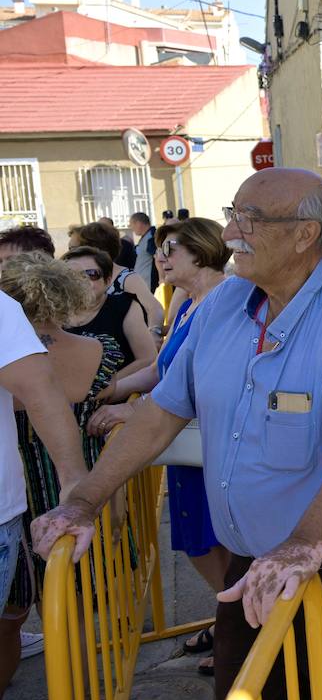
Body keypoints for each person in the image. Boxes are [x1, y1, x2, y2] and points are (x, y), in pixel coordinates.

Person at [33, 168, 322, 700]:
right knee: (253, 698)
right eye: (233, 211)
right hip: (254, 559)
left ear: (305, 234)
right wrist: (84, 499)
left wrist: (303, 545)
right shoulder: (226, 303)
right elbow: (163, 411)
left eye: (249, 218)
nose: (231, 230)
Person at [91, 217, 232, 676]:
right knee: (203, 544)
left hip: (206, 445)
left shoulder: (221, 302)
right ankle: (231, 621)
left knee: (213, 545)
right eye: (161, 248)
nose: (160, 257)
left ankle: (241, 631)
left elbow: (194, 379)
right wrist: (113, 391)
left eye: (171, 249)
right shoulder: (187, 302)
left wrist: (134, 409)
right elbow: (163, 369)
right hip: (183, 441)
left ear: (203, 251)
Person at [0, 253, 120, 690]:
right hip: (71, 488)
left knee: (11, 616)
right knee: (78, 604)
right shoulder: (96, 351)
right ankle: (85, 697)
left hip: (18, 490)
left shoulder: (9, 360)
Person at [60, 247, 156, 382]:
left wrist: (103, 387)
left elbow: (148, 358)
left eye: (91, 274)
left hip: (116, 394)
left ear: (108, 280)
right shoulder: (55, 312)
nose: (81, 281)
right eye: (71, 276)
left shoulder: (124, 307)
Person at [71, 221, 163, 331]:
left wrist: (154, 333)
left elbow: (154, 308)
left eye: (74, 248)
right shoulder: (79, 278)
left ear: (93, 248)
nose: (71, 254)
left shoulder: (126, 278)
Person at [127, 212, 159, 293]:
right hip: (144, 284)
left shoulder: (151, 237)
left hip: (150, 285)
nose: (131, 228)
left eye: (132, 224)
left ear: (138, 223)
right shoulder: (146, 237)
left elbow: (159, 258)